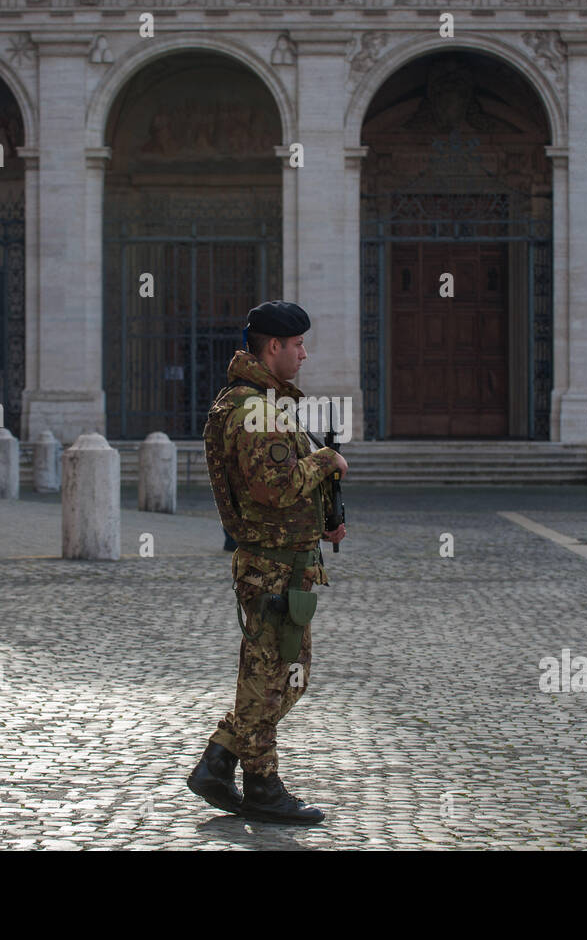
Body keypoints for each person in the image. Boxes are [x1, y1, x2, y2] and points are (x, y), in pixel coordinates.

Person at [188, 300, 348, 824]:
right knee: (272, 678)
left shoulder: (262, 403)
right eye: (297, 344)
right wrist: (327, 461)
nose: (304, 353)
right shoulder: (253, 408)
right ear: (273, 347)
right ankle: (261, 786)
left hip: (285, 563)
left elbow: (279, 487)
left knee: (286, 678)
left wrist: (324, 516)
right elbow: (273, 486)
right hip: (270, 568)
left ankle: (220, 764)